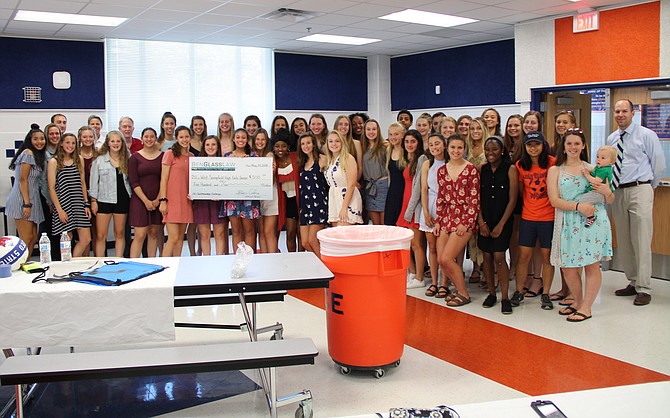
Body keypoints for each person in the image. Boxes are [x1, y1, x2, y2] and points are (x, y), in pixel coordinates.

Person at [548, 128, 614, 321]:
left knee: (591, 265)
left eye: (577, 143)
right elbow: (554, 200)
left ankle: (586, 307)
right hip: (569, 221)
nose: (573, 147)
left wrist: (606, 191)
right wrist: (579, 206)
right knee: (568, 266)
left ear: (583, 146)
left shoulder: (595, 169)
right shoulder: (555, 171)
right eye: (569, 143)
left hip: (592, 222)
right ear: (564, 146)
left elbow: (609, 199)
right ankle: (577, 300)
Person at [608, 99, 666, 306]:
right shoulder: (612, 138)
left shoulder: (646, 135)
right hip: (619, 192)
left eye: (624, 111)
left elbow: (658, 164)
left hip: (640, 188)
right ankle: (632, 281)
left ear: (633, 113)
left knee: (641, 239)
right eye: (617, 111)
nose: (620, 114)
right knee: (624, 240)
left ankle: (644, 287)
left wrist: (650, 187)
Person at [511, 131, 556, 310]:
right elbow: (522, 192)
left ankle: (546, 293)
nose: (533, 148)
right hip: (528, 217)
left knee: (547, 257)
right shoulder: (521, 165)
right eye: (530, 145)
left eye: (537, 144)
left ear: (543, 145)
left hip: (548, 217)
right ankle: (519, 291)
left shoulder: (552, 163)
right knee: (523, 256)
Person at [434, 134, 480, 307]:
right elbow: (440, 198)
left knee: (447, 258)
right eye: (453, 147)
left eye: (459, 147)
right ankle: (456, 288)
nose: (456, 151)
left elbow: (475, 199)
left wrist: (466, 222)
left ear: (464, 149)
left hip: (464, 218)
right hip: (446, 217)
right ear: (447, 148)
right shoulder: (442, 170)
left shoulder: (471, 169)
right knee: (441, 260)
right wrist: (438, 220)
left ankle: (463, 293)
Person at [477, 136, 518, 313]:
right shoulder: (482, 169)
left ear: (502, 151)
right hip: (485, 220)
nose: (490, 153)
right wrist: (481, 223)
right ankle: (492, 293)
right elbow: (476, 197)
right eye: (488, 149)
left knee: (500, 257)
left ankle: (505, 297)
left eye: (494, 149)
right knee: (486, 257)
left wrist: (501, 224)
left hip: (503, 220)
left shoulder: (510, 169)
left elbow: (513, 199)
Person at [47, 132, 91, 257]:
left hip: (78, 203)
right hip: (63, 204)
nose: (70, 146)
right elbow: (51, 188)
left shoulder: (79, 160)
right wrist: (59, 210)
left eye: (73, 143)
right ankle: (67, 266)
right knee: (67, 239)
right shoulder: (54, 162)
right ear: (61, 143)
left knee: (86, 239)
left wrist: (86, 204)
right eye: (67, 142)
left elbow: (82, 183)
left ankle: (74, 262)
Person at [89, 130, 132, 257]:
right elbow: (93, 183)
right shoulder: (99, 161)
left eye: (118, 141)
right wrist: (93, 201)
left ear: (122, 143)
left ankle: (119, 260)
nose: (115, 143)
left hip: (122, 200)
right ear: (108, 143)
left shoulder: (128, 159)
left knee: (119, 233)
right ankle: (100, 261)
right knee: (101, 235)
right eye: (112, 141)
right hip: (103, 200)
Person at [5, 124, 47, 253]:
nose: (39, 142)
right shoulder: (28, 153)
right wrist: (27, 204)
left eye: (42, 139)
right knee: (26, 238)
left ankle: (25, 265)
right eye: (36, 139)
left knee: (33, 237)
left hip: (32, 198)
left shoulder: (37, 155)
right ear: (29, 140)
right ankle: (19, 267)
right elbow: (23, 179)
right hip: (23, 199)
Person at [220, 129, 260, 251]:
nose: (240, 140)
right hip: (233, 199)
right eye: (238, 137)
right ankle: (238, 257)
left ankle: (250, 256)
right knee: (236, 230)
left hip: (249, 198)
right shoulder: (227, 156)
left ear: (247, 140)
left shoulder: (254, 156)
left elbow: (259, 177)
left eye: (243, 137)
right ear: (233, 139)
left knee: (249, 229)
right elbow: (222, 178)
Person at [419, 134, 448, 298]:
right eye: (431, 144)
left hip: (445, 207)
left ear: (444, 145)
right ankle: (434, 282)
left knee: (443, 248)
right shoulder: (427, 164)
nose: (434, 147)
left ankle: (445, 282)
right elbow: (424, 189)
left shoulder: (449, 163)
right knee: (432, 247)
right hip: (429, 205)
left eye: (437, 143)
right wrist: (425, 211)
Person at [397, 129, 427, 289]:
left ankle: (420, 278)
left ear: (419, 143)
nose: (409, 144)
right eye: (407, 141)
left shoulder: (422, 158)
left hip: (414, 207)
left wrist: (410, 210)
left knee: (416, 244)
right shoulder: (408, 158)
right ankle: (413, 273)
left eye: (413, 141)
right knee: (406, 243)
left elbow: (418, 188)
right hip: (405, 203)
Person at [159, 126, 194, 257]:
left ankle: (176, 265)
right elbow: (163, 179)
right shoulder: (169, 154)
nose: (184, 139)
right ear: (176, 138)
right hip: (172, 200)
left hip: (185, 201)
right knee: (172, 238)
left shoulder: (192, 156)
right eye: (181, 137)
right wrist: (163, 200)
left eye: (186, 137)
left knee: (180, 238)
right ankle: (163, 266)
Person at [128, 127, 163, 258]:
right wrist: (146, 201)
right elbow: (134, 182)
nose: (149, 139)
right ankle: (133, 264)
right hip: (140, 200)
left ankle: (152, 263)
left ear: (155, 139)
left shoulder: (163, 156)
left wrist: (158, 199)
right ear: (142, 139)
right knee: (140, 234)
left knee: (154, 233)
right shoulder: (134, 158)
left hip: (157, 199)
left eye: (152, 136)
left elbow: (164, 180)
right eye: (146, 136)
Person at [193, 135, 227, 256]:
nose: (210, 147)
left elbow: (229, 183)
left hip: (218, 203)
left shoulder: (225, 162)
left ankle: (218, 259)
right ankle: (206, 259)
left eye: (213, 144)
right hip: (201, 202)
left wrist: (222, 194)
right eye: (207, 145)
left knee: (219, 234)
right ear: (203, 147)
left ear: (218, 146)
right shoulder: (196, 163)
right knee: (204, 234)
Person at [297, 131, 328, 257]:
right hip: (305, 206)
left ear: (314, 144)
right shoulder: (302, 163)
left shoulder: (322, 159)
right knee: (305, 242)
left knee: (313, 240)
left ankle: (327, 268)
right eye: (303, 144)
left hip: (318, 205)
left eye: (308, 143)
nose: (306, 146)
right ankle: (320, 265)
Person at [324, 130, 363, 226]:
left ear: (342, 142)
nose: (334, 144)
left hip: (347, 199)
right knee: (336, 235)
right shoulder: (329, 160)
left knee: (345, 233)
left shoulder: (348, 158)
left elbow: (351, 184)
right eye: (331, 141)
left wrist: (344, 207)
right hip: (334, 198)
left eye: (337, 141)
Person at [273, 128, 300, 252]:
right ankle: (292, 258)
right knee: (290, 233)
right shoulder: (275, 163)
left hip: (301, 200)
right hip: (288, 202)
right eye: (277, 146)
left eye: (283, 146)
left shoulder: (296, 157)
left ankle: (303, 257)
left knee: (302, 234)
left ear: (288, 146)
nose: (280, 149)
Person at [253, 128, 278, 253]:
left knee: (269, 231)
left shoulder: (270, 155)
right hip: (257, 196)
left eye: (263, 139)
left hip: (270, 196)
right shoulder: (251, 156)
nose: (260, 142)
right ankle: (264, 258)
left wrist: (272, 171)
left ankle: (272, 258)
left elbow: (272, 180)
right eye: (257, 139)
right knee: (261, 232)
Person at [361, 119, 388, 225]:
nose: (371, 132)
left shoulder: (385, 146)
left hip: (382, 186)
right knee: (375, 225)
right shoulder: (362, 147)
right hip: (369, 187)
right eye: (368, 129)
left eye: (374, 129)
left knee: (384, 224)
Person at [581, 145, 616, 227]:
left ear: (611, 161)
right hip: (596, 193)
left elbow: (596, 181)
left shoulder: (604, 170)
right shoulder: (599, 167)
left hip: (598, 193)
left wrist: (586, 175)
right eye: (597, 156)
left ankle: (591, 217)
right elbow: (593, 171)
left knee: (582, 201)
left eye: (603, 158)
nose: (599, 159)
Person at [384, 122, 407, 226]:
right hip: (392, 192)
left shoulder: (407, 152)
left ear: (402, 135)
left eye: (396, 134)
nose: (393, 137)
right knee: (390, 224)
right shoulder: (388, 151)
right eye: (391, 134)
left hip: (405, 192)